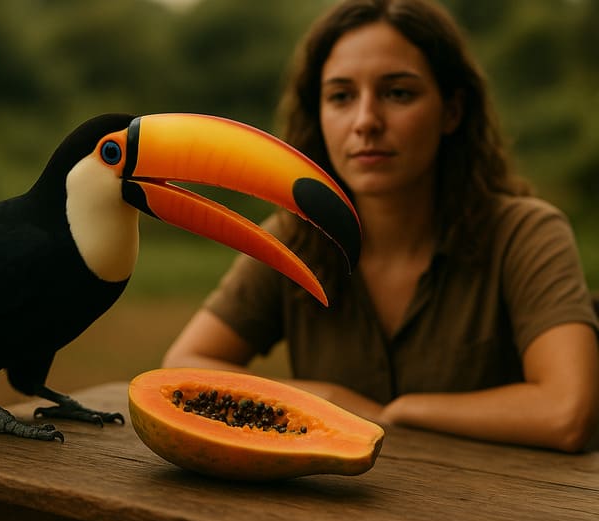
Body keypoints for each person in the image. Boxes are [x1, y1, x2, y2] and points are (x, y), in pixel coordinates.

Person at [162, 0, 599, 452]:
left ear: (452, 111)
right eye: (341, 96)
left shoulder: (525, 235)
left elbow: (568, 413)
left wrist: (403, 411)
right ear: (319, 114)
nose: (366, 121)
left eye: (398, 93)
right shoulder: (294, 239)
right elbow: (183, 366)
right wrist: (326, 399)